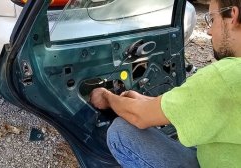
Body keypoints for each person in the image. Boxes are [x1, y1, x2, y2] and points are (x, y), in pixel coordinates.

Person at [90, 0, 241, 167]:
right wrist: (145, 101)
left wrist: (107, 97)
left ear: (233, 15)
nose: (209, 31)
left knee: (121, 133)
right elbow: (190, 109)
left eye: (212, 19)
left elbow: (139, 117)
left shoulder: (225, 77)